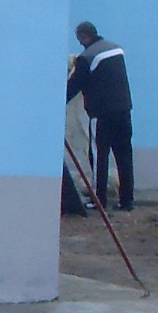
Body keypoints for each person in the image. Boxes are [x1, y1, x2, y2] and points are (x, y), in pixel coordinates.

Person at [68, 22, 135, 211]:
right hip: (124, 109)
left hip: (101, 114)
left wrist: (57, 103)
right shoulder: (116, 49)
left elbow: (75, 85)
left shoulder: (86, 58)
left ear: (83, 37)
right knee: (124, 155)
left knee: (99, 156)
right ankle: (127, 201)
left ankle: (99, 200)